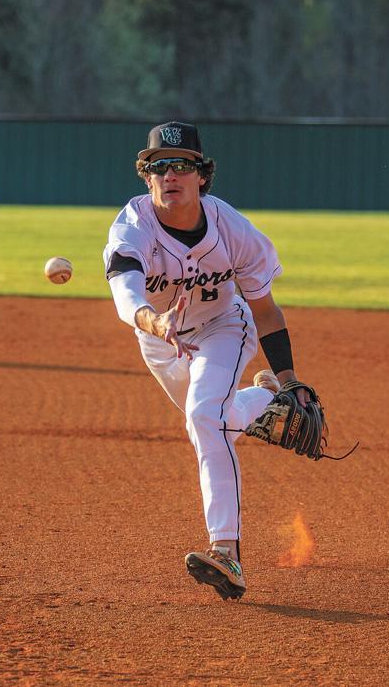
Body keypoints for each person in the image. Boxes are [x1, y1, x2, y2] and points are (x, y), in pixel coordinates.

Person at [103, 121, 312, 601]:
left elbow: (263, 308)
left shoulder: (230, 228)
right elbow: (125, 294)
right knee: (218, 420)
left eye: (181, 165)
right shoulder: (131, 228)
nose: (169, 174)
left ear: (201, 175)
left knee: (203, 418)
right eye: (158, 166)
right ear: (146, 175)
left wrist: (291, 377)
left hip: (223, 328)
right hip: (160, 340)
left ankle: (226, 553)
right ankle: (264, 403)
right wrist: (154, 323)